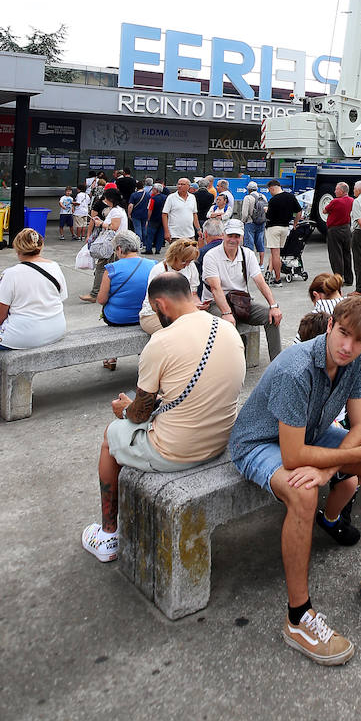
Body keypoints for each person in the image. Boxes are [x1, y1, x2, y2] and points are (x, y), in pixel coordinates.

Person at [228, 296, 361, 666]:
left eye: (359, 341)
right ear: (331, 323)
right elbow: (292, 457)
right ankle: (298, 616)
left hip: (311, 434)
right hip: (260, 442)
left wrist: (328, 470)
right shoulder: (296, 368)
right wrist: (332, 466)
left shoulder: (353, 362)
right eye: (344, 334)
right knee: (304, 493)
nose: (348, 347)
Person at [81, 271, 247, 563]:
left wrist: (125, 409)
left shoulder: (161, 342)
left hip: (178, 452)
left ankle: (108, 535)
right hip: (221, 439)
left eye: (155, 311)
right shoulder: (227, 329)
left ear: (161, 304)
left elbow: (139, 415)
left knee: (111, 435)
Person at [0, 228, 68, 414]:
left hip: (24, 334)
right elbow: (61, 297)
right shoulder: (55, 266)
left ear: (17, 249)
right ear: (41, 246)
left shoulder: (11, 274)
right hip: (56, 328)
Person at [201, 219, 283, 362]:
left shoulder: (247, 254)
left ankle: (277, 363)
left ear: (242, 238)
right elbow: (215, 288)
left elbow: (260, 282)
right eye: (230, 235)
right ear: (224, 235)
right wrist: (226, 313)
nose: (233, 240)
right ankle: (227, 367)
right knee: (225, 324)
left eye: (237, 236)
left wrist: (273, 306)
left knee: (271, 318)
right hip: (216, 303)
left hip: (240, 302)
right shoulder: (211, 256)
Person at [95, 231, 156, 371]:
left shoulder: (111, 269)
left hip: (117, 318)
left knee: (107, 308)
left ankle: (111, 357)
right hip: (145, 316)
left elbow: (101, 299)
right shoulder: (153, 264)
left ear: (119, 249)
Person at [308, 272, 361, 371]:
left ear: (316, 296)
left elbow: (297, 355)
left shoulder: (313, 319)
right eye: (343, 333)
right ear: (340, 293)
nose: (347, 348)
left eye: (360, 339)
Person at [139, 238, 202, 335]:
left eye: (190, 261)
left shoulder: (191, 267)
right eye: (184, 261)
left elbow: (193, 293)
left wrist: (197, 304)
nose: (187, 264)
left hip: (181, 313)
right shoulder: (159, 270)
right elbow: (155, 304)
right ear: (175, 257)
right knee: (177, 332)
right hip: (155, 314)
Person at [80, 189, 129, 303]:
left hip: (111, 244)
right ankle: (107, 291)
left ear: (110, 199)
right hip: (116, 244)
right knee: (111, 268)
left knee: (101, 268)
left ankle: (95, 293)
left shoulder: (116, 211)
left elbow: (114, 226)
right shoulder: (118, 210)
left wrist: (100, 223)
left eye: (106, 198)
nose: (104, 200)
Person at [266, 179, 303, 284]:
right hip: (285, 228)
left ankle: (277, 279)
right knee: (279, 253)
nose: (270, 193)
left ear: (272, 188)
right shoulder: (291, 197)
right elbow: (299, 211)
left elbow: (268, 217)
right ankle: (276, 276)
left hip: (273, 228)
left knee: (275, 254)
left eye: (270, 191)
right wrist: (295, 223)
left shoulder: (273, 200)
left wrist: (266, 211)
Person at [324, 182, 354, 288]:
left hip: (334, 229)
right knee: (347, 254)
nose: (335, 191)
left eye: (336, 189)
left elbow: (324, 210)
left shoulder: (335, 201)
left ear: (342, 191)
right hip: (346, 228)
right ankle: (349, 278)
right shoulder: (352, 200)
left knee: (336, 255)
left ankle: (338, 279)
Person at [162, 177, 201, 244]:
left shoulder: (192, 197)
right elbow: (164, 214)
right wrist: (166, 232)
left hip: (190, 234)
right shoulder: (171, 197)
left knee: (190, 253)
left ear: (188, 186)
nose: (179, 186)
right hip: (175, 234)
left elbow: (194, 214)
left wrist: (198, 229)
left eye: (182, 184)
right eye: (178, 184)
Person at [241, 182, 267, 266]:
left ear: (249, 189)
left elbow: (245, 213)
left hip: (250, 222)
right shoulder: (263, 197)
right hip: (261, 223)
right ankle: (261, 263)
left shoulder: (248, 198)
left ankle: (250, 264)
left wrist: (243, 221)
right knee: (260, 242)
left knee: (249, 243)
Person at [127, 176, 155, 252]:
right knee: (144, 228)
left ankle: (139, 243)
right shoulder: (147, 195)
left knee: (137, 228)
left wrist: (129, 214)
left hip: (136, 214)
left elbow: (130, 205)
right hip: (145, 213)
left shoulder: (134, 195)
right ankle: (145, 242)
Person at [144, 182, 169, 256]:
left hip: (153, 219)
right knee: (160, 235)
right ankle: (158, 249)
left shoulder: (153, 199)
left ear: (155, 190)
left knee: (150, 235)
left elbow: (150, 210)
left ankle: (149, 249)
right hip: (163, 219)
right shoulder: (166, 198)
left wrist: (148, 219)